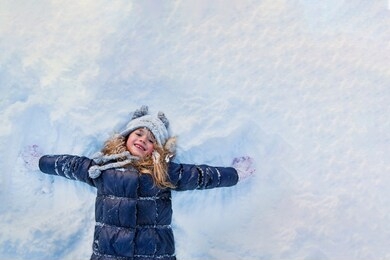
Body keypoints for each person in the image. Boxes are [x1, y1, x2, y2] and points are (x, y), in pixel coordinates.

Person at [28, 105, 255, 260]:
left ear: (156, 149)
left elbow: (201, 176)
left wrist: (235, 174)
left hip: (154, 253)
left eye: (150, 140)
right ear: (126, 137)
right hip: (110, 253)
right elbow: (72, 166)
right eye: (138, 134)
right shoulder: (104, 168)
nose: (142, 141)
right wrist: (40, 162)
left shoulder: (163, 173)